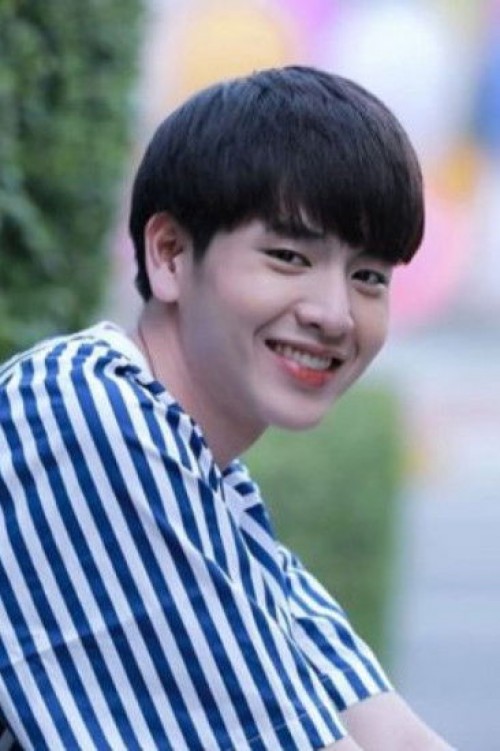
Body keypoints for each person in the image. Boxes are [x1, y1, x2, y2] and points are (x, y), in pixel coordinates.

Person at [0, 66, 454, 750]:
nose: (335, 314)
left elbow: (382, 728)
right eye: (289, 256)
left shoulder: (215, 489)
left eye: (368, 276)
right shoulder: (82, 419)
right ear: (170, 254)